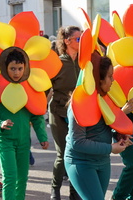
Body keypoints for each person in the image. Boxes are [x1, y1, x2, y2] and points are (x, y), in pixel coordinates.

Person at [0, 47, 49, 200]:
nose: (16, 72)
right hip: (4, 140)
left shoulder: (29, 88)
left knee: (22, 178)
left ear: (25, 68)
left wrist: (42, 136)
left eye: (19, 68)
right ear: (5, 68)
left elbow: (36, 115)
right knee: (10, 177)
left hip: (24, 141)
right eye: (12, 68)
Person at [64, 53, 132, 200]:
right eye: (109, 76)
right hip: (81, 162)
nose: (113, 80)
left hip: (102, 162)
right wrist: (111, 148)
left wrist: (120, 135)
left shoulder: (105, 97)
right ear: (97, 79)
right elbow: (77, 142)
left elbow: (107, 126)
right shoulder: (79, 105)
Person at [49, 25, 82, 200]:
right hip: (58, 112)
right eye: (78, 39)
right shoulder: (57, 63)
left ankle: (74, 193)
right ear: (67, 41)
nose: (81, 41)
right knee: (62, 154)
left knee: (76, 153)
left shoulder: (85, 62)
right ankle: (55, 189)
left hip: (78, 114)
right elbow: (45, 88)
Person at [111, 97, 133, 200]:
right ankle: (118, 197)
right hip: (124, 131)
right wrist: (122, 113)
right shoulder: (115, 86)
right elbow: (109, 117)